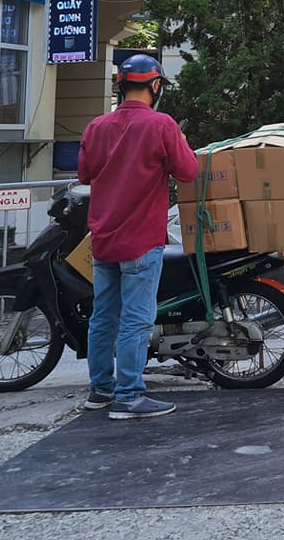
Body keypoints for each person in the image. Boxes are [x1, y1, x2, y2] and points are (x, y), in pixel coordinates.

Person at [79, 54, 197, 419]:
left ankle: (101, 390)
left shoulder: (96, 127)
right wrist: (180, 141)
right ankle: (129, 396)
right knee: (136, 320)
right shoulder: (161, 125)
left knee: (103, 317)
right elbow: (188, 171)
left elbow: (84, 174)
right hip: (141, 241)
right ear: (155, 85)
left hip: (104, 240)